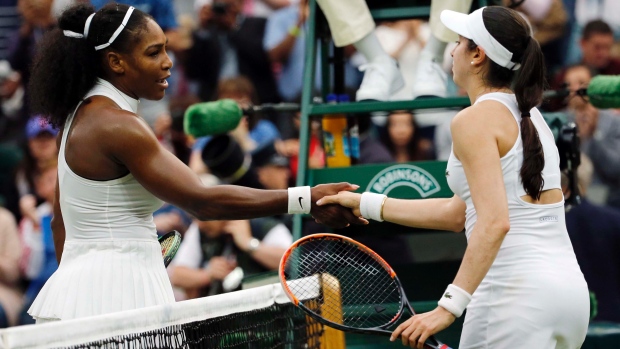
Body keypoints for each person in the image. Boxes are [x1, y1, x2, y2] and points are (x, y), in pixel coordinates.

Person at [25, 3, 364, 323]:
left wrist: (78, 281)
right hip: (122, 293)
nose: (168, 62)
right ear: (116, 62)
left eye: (166, 48)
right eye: (153, 52)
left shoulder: (76, 120)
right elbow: (203, 201)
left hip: (76, 292)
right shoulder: (118, 125)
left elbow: (60, 223)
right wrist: (307, 198)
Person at [318, 6, 589, 349]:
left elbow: (494, 223)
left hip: (513, 299)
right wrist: (365, 204)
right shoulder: (532, 117)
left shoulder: (473, 120)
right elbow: (457, 215)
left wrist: (447, 308)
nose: (451, 50)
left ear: (478, 55)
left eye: (459, 42)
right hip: (568, 299)